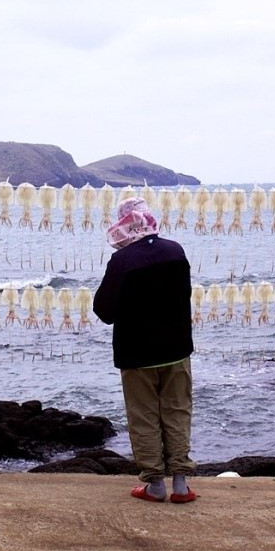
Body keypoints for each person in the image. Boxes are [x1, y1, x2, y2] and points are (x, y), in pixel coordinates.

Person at [93, 197, 197, 503]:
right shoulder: (175, 251)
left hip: (137, 353)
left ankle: (155, 484)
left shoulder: (122, 260)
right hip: (177, 349)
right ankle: (181, 484)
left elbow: (104, 310)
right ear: (149, 218)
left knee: (144, 417)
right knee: (177, 412)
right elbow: (185, 295)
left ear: (124, 223)